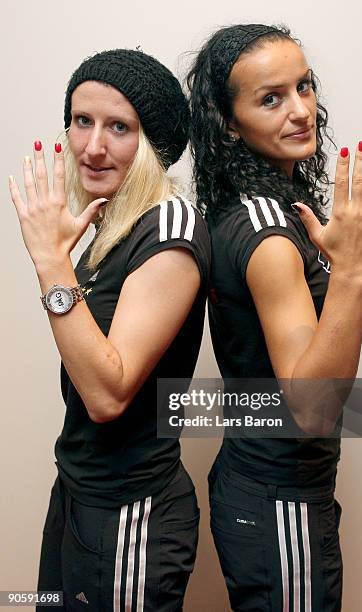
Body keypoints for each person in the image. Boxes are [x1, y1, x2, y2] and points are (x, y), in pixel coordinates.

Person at [187, 24, 362, 611]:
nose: (301, 110)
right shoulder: (269, 236)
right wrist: (353, 270)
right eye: (271, 98)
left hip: (275, 490)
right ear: (228, 124)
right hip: (276, 498)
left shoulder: (258, 208)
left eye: (304, 86)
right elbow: (311, 406)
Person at [9, 48, 210, 612]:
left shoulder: (169, 224)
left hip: (130, 511)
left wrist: (51, 263)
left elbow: (107, 393)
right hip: (78, 490)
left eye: (119, 127)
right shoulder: (108, 218)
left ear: (152, 143)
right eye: (82, 121)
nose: (92, 147)